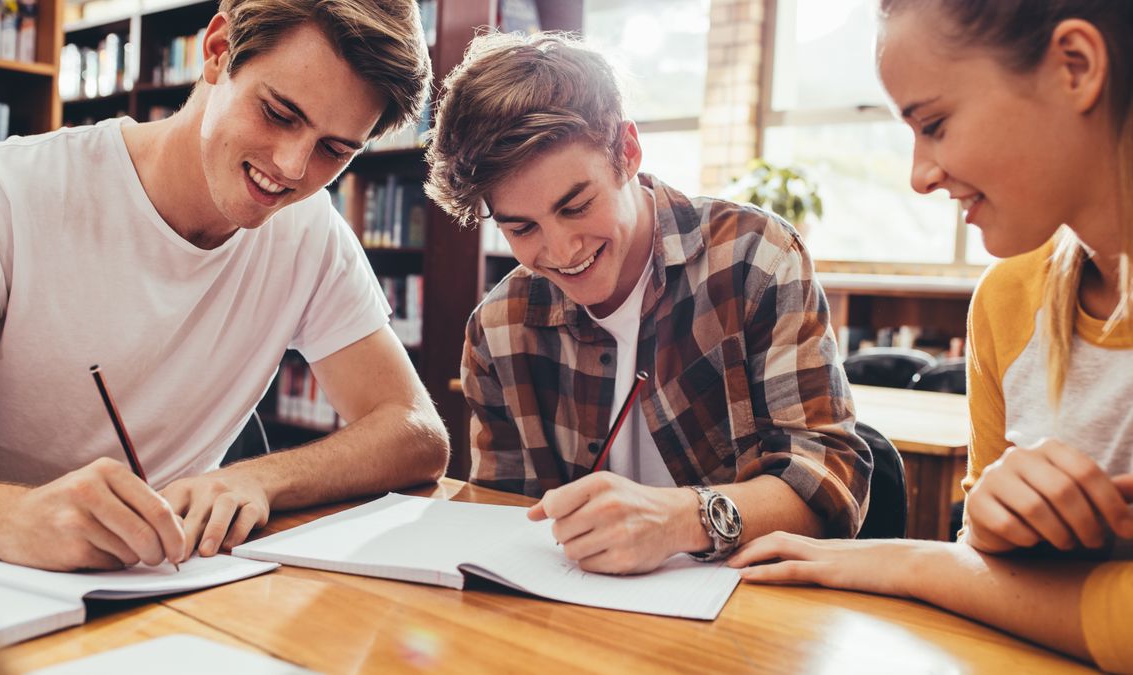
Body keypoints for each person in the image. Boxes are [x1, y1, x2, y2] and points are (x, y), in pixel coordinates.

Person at [0, 0, 449, 572]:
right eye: (279, 113)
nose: (293, 168)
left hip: (167, 583)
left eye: (334, 150)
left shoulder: (308, 231)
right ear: (217, 51)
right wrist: (10, 517)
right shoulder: (7, 192)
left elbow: (417, 432)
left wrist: (259, 479)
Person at [730, 1, 1133, 671]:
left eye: (936, 124)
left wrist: (912, 561)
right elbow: (986, 559)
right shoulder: (1007, 300)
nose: (920, 176)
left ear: (1076, 68)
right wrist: (1000, 529)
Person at [424, 32, 872, 575]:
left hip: (746, 617)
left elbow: (831, 483)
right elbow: (503, 519)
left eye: (577, 205)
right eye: (522, 228)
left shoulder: (754, 259)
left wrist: (685, 518)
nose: (561, 251)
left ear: (628, 152)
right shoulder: (498, 330)